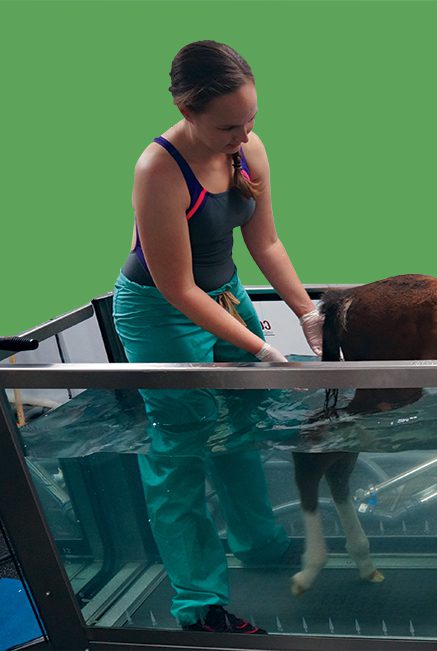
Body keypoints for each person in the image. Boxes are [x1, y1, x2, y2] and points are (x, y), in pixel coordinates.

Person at [112, 40, 322, 634]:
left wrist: (308, 314)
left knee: (242, 421)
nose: (244, 134)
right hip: (161, 310)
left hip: (224, 294)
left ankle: (259, 544)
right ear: (186, 108)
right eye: (230, 125)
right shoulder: (158, 169)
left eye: (251, 120)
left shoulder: (247, 149)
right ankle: (198, 605)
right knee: (182, 445)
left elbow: (266, 244)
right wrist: (259, 348)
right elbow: (177, 287)